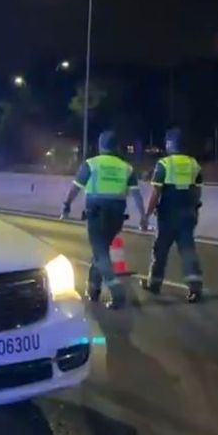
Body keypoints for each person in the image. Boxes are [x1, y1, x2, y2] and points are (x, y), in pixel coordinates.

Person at [61, 130, 144, 309]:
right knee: (101, 251)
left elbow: (76, 188)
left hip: (97, 212)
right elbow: (137, 195)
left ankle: (116, 291)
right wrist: (143, 217)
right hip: (117, 215)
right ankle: (93, 289)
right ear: (115, 147)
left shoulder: (91, 164)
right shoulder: (127, 167)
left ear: (100, 145)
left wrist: (66, 205)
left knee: (100, 252)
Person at [140, 128, 204, 302]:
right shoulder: (193, 164)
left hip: (167, 216)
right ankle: (195, 288)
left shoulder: (164, 164)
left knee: (160, 250)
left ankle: (154, 284)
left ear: (169, 144)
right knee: (188, 251)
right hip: (188, 214)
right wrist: (195, 209)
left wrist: (147, 214)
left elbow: (155, 192)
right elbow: (197, 191)